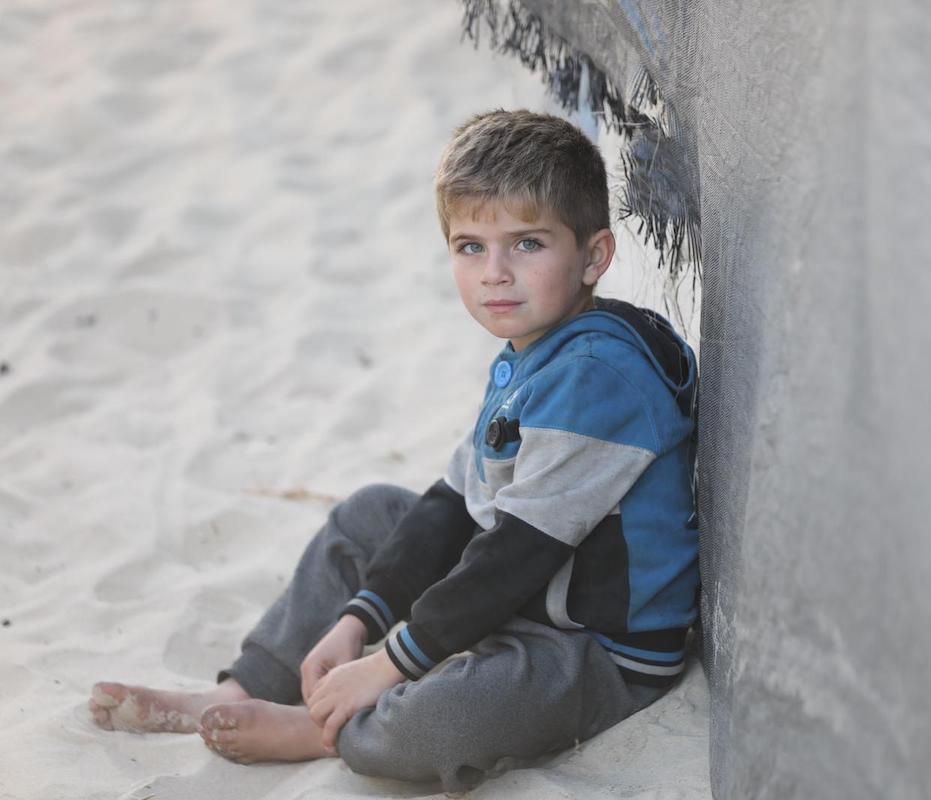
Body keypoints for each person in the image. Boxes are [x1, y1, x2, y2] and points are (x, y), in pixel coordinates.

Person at [89, 109, 699, 792]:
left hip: (593, 649)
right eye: (471, 246)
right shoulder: (533, 352)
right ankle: (248, 688)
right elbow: (454, 505)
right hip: (523, 598)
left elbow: (516, 553)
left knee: (433, 724)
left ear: (593, 257)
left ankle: (319, 730)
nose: (495, 273)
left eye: (527, 244)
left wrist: (388, 666)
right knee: (372, 514)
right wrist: (360, 619)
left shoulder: (597, 378)